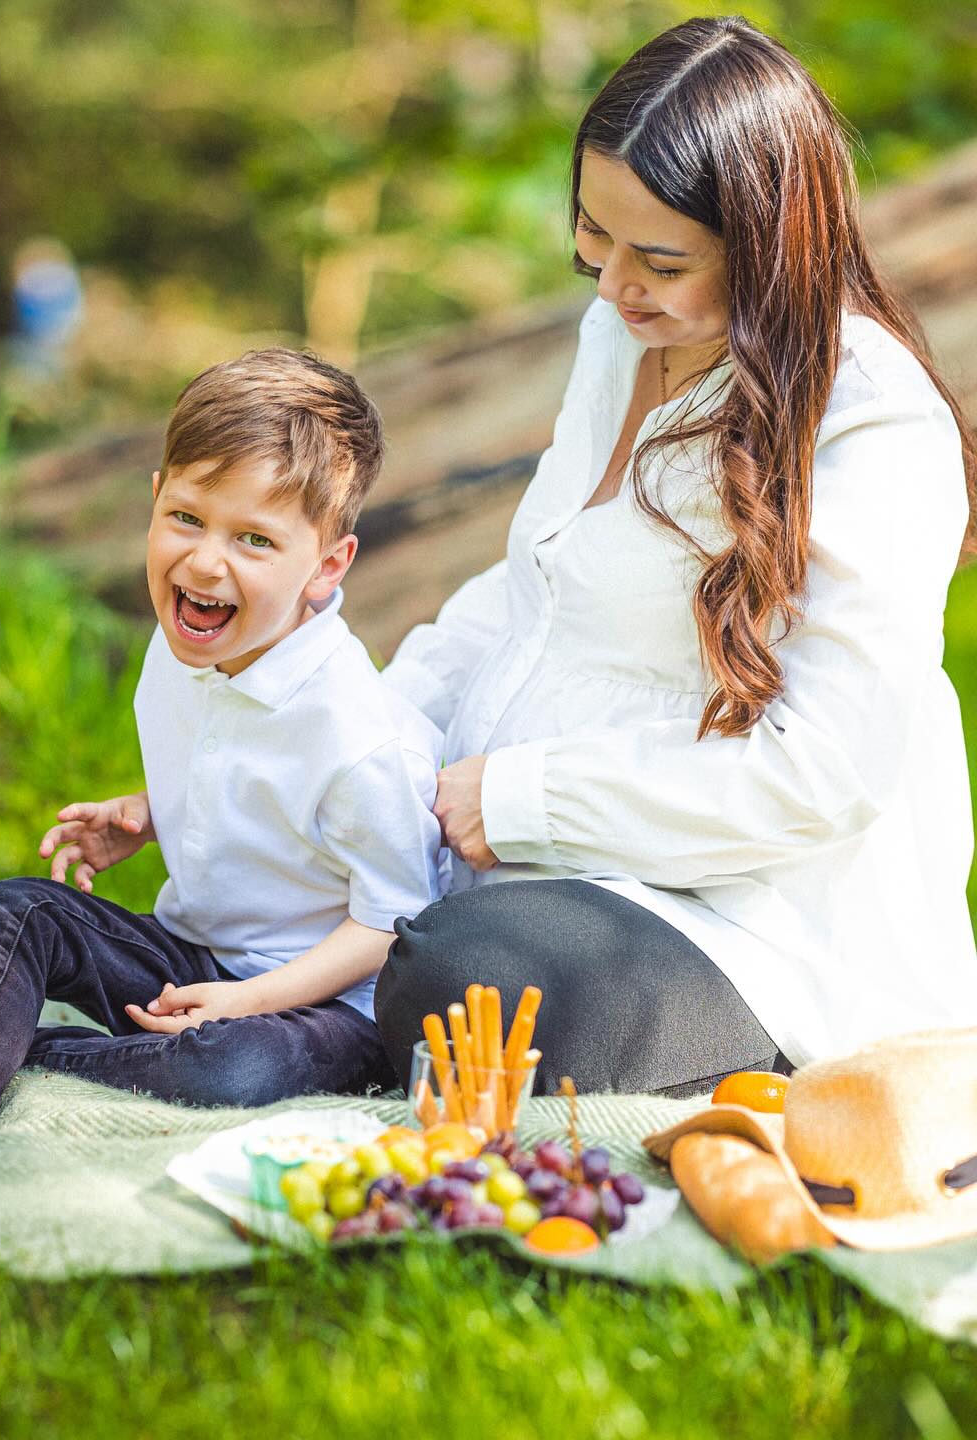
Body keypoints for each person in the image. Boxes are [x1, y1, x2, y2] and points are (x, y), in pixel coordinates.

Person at [372, 14, 977, 1099]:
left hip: (750, 925)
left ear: (771, 244)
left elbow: (823, 777)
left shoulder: (872, 427)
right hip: (545, 856)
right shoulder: (624, 337)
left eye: (659, 261)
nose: (611, 288)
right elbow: (538, 588)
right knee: (289, 869)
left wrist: (520, 805)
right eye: (592, 240)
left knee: (468, 979)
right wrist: (373, 734)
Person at [0, 348, 443, 1144]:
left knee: (234, 1070)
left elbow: (392, 921)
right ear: (155, 499)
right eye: (187, 518)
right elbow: (249, 773)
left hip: (323, 1005)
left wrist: (243, 1002)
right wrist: (150, 815)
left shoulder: (355, 732)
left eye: (254, 540)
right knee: (17, 908)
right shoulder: (189, 643)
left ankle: (2, 1044)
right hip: (194, 959)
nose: (206, 561)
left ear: (326, 567)